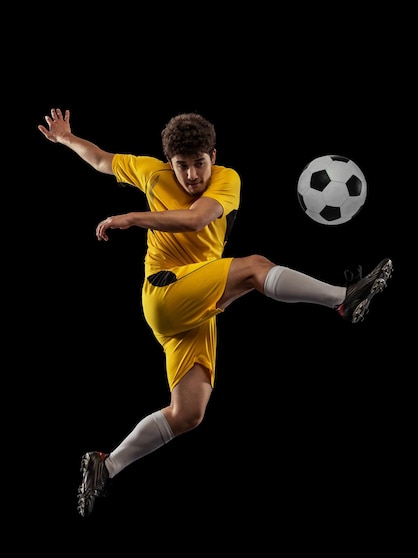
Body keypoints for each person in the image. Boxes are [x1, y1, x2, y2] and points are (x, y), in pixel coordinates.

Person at [38, 108, 393, 517]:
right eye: (182, 167)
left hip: (195, 307)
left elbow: (196, 220)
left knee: (188, 413)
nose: (191, 176)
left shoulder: (227, 179)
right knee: (254, 267)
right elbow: (101, 158)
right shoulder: (152, 173)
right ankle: (344, 298)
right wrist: (65, 138)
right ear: (169, 163)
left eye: (199, 164)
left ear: (214, 156)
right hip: (165, 292)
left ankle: (106, 466)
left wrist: (133, 217)